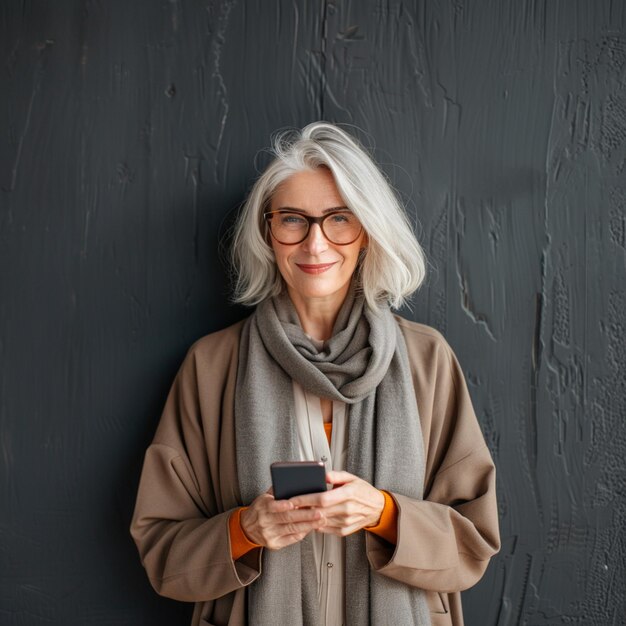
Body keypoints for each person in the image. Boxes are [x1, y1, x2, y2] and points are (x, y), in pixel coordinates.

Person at [130, 122, 500, 626]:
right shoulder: (212, 365)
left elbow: (473, 543)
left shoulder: (426, 359)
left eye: (339, 219)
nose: (316, 243)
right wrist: (246, 529)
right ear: (268, 232)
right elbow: (161, 550)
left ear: (366, 232)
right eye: (293, 220)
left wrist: (384, 515)